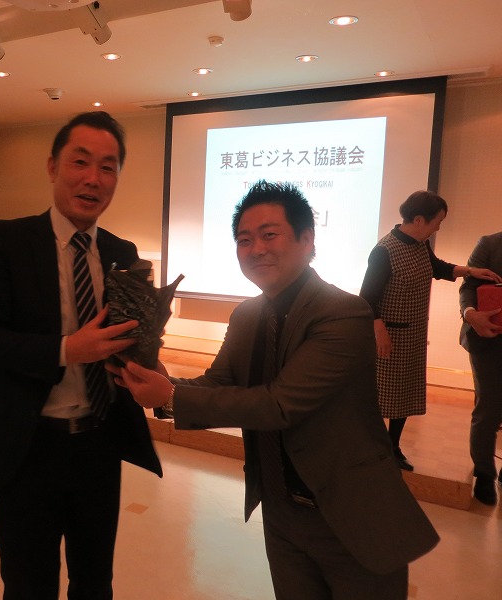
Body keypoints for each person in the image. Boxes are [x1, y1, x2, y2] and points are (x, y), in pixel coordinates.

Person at [111, 180, 439, 600]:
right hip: (281, 511)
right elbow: (218, 384)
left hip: (351, 513)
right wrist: (160, 379)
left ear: (307, 240)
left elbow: (280, 404)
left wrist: (170, 397)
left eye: (269, 234)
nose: (256, 249)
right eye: (244, 239)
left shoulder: (343, 312)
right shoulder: (247, 315)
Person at [0, 111, 162, 599]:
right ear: (52, 167)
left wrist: (146, 359)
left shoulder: (123, 252)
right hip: (27, 447)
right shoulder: (5, 241)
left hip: (99, 445)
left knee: (95, 583)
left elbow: (132, 338)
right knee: (29, 586)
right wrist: (67, 349)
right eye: (80, 162)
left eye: (108, 167)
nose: (93, 178)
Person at [359, 191, 501, 471]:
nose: (438, 228)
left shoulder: (419, 245)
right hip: (390, 337)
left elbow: (438, 268)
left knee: (404, 396)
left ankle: (393, 447)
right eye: (438, 221)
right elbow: (367, 298)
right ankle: (373, 449)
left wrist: (470, 271)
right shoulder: (385, 250)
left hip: (412, 335)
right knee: (381, 398)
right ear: (418, 219)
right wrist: (379, 331)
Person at [458, 232, 502, 505]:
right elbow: (468, 287)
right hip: (487, 337)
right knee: (489, 406)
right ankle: (484, 473)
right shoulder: (489, 244)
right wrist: (470, 313)